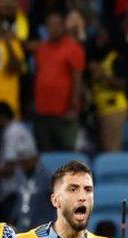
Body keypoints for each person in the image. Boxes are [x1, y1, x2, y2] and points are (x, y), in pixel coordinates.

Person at [33, 11, 85, 152]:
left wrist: (73, 107)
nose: (51, 29)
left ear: (63, 27)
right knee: (45, 153)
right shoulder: (42, 48)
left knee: (66, 154)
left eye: (55, 26)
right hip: (42, 112)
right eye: (49, 26)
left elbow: (77, 80)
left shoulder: (73, 48)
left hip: (64, 113)